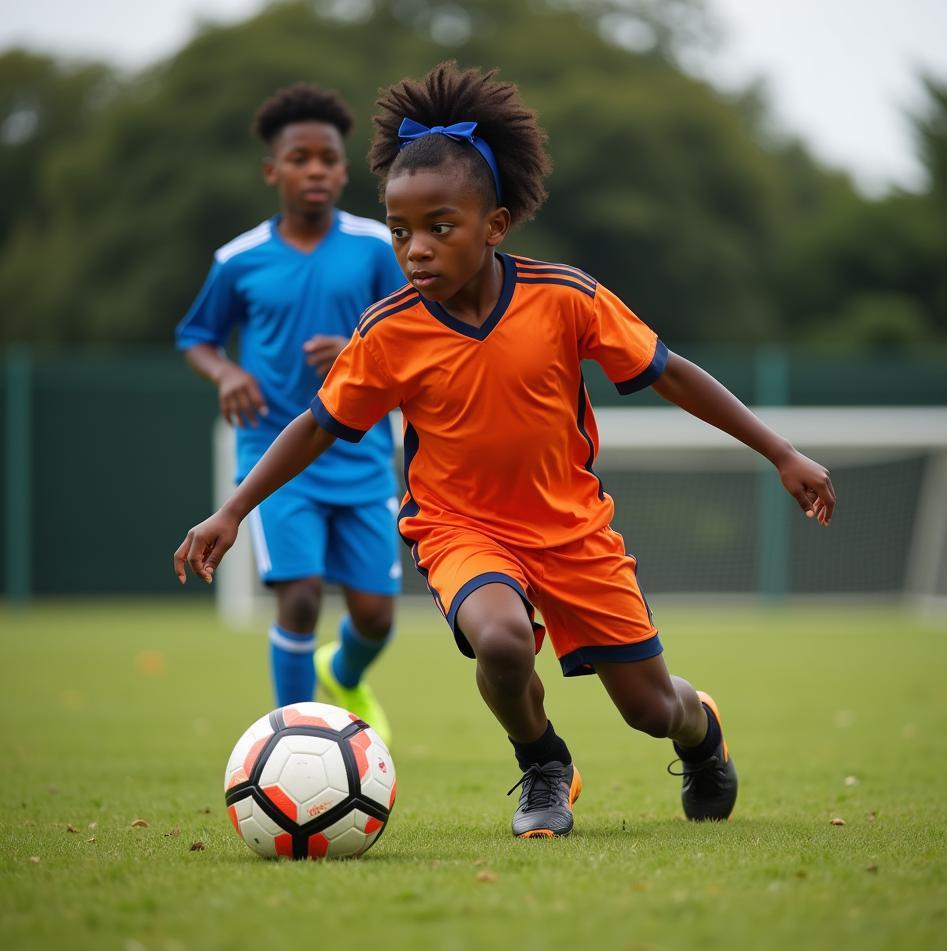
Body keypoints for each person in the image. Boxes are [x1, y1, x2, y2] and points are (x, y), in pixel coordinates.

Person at [175, 62, 836, 837]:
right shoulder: (389, 330)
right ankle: (544, 767)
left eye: (439, 228)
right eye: (400, 231)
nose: (415, 249)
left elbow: (674, 375)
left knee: (653, 711)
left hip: (573, 529)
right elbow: (316, 424)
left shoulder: (565, 298)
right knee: (500, 637)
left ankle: (703, 735)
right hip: (460, 527)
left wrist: (781, 452)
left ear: (495, 224)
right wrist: (233, 509)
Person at [175, 83, 407, 743]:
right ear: (272, 170)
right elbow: (196, 336)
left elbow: (413, 330)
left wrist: (359, 347)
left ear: (343, 169)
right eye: (300, 158)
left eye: (328, 159)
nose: (316, 170)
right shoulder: (239, 260)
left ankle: (345, 668)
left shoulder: (374, 249)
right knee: (300, 596)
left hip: (361, 455)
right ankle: (299, 738)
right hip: (273, 454)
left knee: (375, 617)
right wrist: (226, 370)